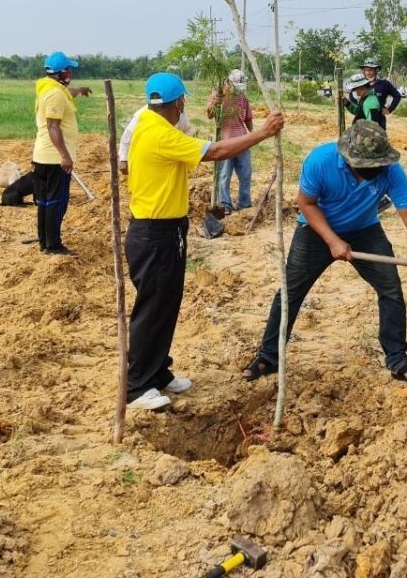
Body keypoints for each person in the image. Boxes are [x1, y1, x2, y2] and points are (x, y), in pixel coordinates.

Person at [242, 121, 407, 388]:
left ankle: (397, 359)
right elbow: (306, 203)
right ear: (350, 159)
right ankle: (269, 356)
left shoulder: (390, 170)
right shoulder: (321, 161)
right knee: (291, 291)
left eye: (379, 164)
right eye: (369, 165)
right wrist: (332, 240)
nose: (376, 169)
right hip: (316, 230)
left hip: (365, 230)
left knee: (391, 291)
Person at [124, 72, 284, 411]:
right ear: (179, 102)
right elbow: (216, 151)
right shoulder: (159, 133)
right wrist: (263, 132)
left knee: (165, 305)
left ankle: (157, 372)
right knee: (152, 309)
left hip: (165, 230)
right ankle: (137, 386)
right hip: (154, 233)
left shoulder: (150, 125)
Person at [32, 51, 91, 256]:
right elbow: (53, 126)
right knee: (57, 203)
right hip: (54, 159)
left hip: (42, 157)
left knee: (45, 202)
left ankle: (45, 242)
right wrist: (65, 156)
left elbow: (67, 94)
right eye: (69, 70)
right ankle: (54, 245)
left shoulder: (49, 88)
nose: (71, 73)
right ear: (62, 72)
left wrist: (80, 90)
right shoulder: (55, 94)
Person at [207, 69, 255, 211]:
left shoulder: (243, 98)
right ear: (228, 82)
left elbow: (248, 118)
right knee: (224, 175)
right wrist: (216, 102)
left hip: (242, 142)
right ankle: (225, 205)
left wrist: (252, 135)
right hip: (224, 142)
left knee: (246, 174)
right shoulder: (218, 96)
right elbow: (209, 114)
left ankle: (244, 204)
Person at [118, 106, 193, 174]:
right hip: (147, 158)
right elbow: (127, 136)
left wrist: (180, 151)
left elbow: (187, 131)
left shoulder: (180, 114)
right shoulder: (143, 115)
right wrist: (124, 159)